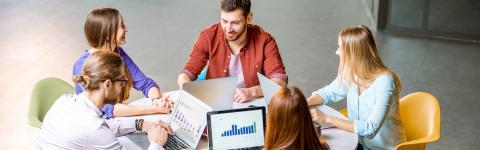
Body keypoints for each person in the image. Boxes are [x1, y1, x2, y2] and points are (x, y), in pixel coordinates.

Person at [37, 51, 172, 149]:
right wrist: (156, 143)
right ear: (107, 85)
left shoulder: (64, 101)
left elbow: (106, 125)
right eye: (122, 82)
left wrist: (141, 124)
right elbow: (98, 130)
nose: (123, 88)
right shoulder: (94, 130)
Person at [307, 25, 406, 149]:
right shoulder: (351, 73)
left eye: (340, 48)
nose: (337, 52)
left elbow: (371, 129)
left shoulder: (385, 82)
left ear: (354, 54)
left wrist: (326, 118)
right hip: (358, 142)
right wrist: (303, 103)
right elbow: (328, 93)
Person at [177, 0, 288, 103]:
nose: (228, 29)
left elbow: (280, 81)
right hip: (217, 101)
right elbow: (187, 73)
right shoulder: (208, 36)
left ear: (249, 18)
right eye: (224, 21)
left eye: (235, 23)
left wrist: (252, 92)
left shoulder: (265, 41)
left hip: (251, 102)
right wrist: (185, 86)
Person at [73, 7, 173, 119]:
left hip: (116, 121)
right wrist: (155, 110)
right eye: (122, 26)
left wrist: (157, 100)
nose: (126, 29)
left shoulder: (118, 53)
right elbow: (107, 109)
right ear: (108, 33)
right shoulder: (82, 65)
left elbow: (146, 84)